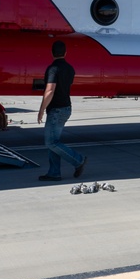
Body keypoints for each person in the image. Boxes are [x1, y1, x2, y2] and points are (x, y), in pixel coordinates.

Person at [37, 40, 86, 181]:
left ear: (51, 53)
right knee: (55, 141)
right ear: (65, 53)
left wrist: (41, 109)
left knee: (51, 143)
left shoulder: (52, 69)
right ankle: (54, 173)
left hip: (56, 110)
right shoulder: (70, 69)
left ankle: (79, 161)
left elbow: (50, 90)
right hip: (66, 108)